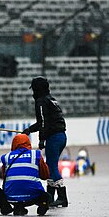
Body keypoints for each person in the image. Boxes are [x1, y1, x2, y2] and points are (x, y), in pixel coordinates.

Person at [22, 76, 68, 207]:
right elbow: (43, 122)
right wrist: (29, 130)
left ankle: (62, 197)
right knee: (50, 166)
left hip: (53, 137)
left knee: (51, 167)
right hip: (61, 136)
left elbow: (42, 122)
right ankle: (50, 197)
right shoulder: (51, 100)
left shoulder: (41, 101)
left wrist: (41, 139)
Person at [0, 133, 50, 216]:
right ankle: (42, 206)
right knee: (47, 196)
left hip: (11, 197)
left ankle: (8, 207)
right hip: (32, 197)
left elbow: (4, 177)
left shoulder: (6, 157)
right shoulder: (36, 154)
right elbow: (45, 175)